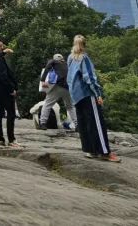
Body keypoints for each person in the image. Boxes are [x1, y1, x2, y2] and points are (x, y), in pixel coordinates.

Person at [67, 34, 120, 162]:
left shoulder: (70, 58)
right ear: (84, 45)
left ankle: (91, 150)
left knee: (84, 123)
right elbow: (89, 78)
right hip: (87, 94)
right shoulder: (83, 58)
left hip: (75, 95)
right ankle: (104, 152)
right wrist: (97, 93)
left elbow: (69, 77)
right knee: (97, 123)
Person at [39, 53, 78, 130]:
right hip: (68, 88)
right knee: (70, 106)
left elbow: (47, 67)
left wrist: (42, 80)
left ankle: (43, 123)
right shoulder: (67, 64)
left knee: (47, 104)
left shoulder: (53, 61)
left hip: (58, 86)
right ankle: (77, 125)